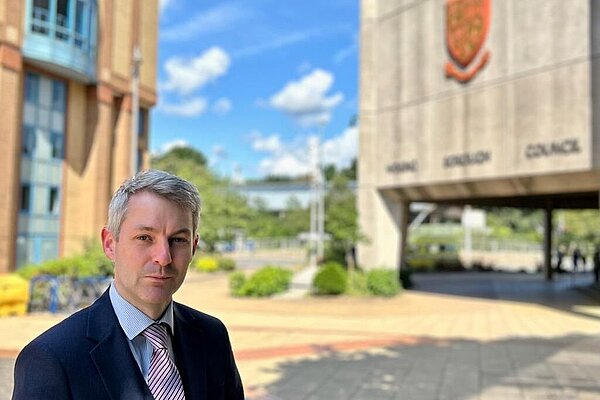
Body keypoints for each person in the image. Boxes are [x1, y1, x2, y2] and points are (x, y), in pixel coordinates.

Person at [13, 170, 244, 400]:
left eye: (177, 240)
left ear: (193, 247)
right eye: (145, 237)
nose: (163, 257)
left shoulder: (213, 337)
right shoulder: (51, 359)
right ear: (110, 244)